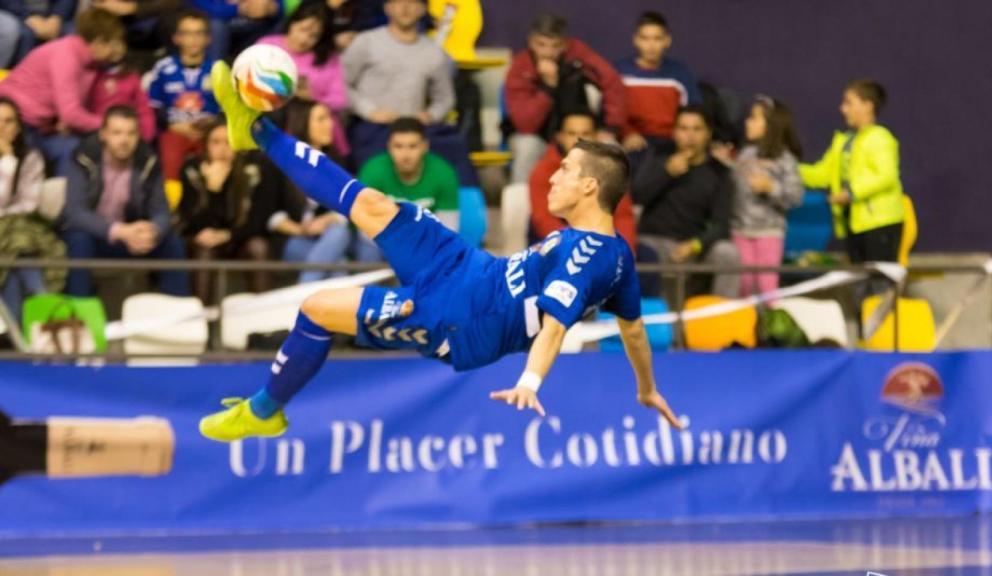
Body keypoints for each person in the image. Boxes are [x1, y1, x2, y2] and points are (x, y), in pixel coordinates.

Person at [198, 60, 681, 441]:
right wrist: (647, 388)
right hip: (469, 267)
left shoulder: (593, 255)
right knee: (374, 203)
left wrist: (529, 382)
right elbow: (634, 332)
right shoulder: (617, 256)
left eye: (566, 170)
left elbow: (555, 327)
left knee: (317, 308)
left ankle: (263, 411)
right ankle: (254, 129)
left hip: (462, 318)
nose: (554, 176)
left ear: (590, 186)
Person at [60, 106, 188, 297]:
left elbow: (162, 211)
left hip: (134, 236)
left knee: (172, 243)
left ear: (138, 136)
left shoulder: (148, 161)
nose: (124, 140)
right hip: (97, 235)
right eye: (117, 133)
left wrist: (152, 231)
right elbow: (75, 213)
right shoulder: (83, 158)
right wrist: (120, 231)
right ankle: (80, 309)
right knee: (79, 239)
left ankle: (178, 310)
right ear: (103, 134)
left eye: (131, 133)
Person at [504, 11, 627, 183]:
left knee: (611, 148)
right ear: (531, 42)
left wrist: (610, 128)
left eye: (555, 46)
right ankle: (521, 199)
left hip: (579, 130)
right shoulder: (521, 66)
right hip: (537, 135)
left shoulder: (578, 53)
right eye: (541, 45)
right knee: (527, 147)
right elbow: (525, 125)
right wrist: (548, 87)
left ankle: (612, 201)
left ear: (564, 45)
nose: (548, 52)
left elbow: (612, 81)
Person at [0, 8, 125, 175]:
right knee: (61, 151)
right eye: (114, 44)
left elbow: (70, 114)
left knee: (76, 148)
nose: (117, 50)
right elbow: (71, 114)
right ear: (99, 43)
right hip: (18, 123)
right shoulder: (66, 55)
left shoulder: (91, 63)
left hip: (42, 127)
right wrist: (109, 125)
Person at [632, 106, 740, 299]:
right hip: (655, 240)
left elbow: (722, 224)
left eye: (697, 129)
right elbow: (637, 196)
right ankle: (662, 316)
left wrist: (695, 245)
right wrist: (666, 173)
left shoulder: (719, 173)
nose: (690, 136)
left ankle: (723, 313)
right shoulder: (658, 157)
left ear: (708, 134)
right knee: (647, 251)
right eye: (683, 128)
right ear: (674, 132)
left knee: (727, 252)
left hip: (693, 245)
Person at [800, 79, 905, 273]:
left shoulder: (880, 137)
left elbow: (886, 175)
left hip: (880, 224)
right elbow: (821, 174)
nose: (843, 109)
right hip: (854, 224)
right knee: (859, 280)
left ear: (867, 106)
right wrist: (789, 170)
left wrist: (851, 193)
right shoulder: (844, 141)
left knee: (879, 280)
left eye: (849, 103)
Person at [342, 0, 455, 169]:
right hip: (372, 127)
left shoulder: (433, 52)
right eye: (398, 2)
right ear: (388, 8)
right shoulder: (366, 42)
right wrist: (370, 111)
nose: (405, 7)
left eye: (412, 2)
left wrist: (430, 115)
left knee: (453, 148)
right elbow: (341, 84)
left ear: (423, 10)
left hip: (415, 128)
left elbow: (445, 98)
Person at [177, 120, 276, 303]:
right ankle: (202, 314)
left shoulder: (253, 170)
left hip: (241, 237)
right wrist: (212, 190)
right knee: (205, 248)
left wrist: (227, 235)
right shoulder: (192, 169)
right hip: (206, 238)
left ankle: (265, 311)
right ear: (206, 145)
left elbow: (259, 220)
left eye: (228, 142)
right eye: (215, 142)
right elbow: (190, 221)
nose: (222, 149)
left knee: (258, 246)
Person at [276, 98, 358, 284]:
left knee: (340, 234)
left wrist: (325, 220)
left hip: (327, 239)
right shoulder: (282, 161)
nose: (329, 124)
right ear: (303, 123)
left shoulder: (336, 163)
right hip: (292, 240)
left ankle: (303, 289)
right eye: (321, 119)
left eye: (329, 118)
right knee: (339, 262)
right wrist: (301, 229)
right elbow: (269, 214)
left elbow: (347, 207)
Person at [730, 95, 804, 296]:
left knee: (766, 287)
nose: (747, 122)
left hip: (768, 233)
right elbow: (734, 186)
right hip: (740, 231)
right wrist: (726, 165)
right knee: (744, 287)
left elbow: (795, 196)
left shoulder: (785, 159)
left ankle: (769, 317)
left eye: (754, 118)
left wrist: (770, 187)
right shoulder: (745, 155)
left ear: (771, 125)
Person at [0, 97, 65, 325]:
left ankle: (13, 332)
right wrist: (7, 163)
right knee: (20, 246)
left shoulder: (30, 158)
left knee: (17, 251)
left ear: (18, 127)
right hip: (15, 235)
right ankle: (45, 307)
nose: (2, 127)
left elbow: (29, 204)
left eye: (8, 121)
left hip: (19, 232)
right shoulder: (12, 161)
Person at [529, 112, 636, 250]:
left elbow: (623, 215)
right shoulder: (543, 170)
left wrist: (623, 250)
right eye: (571, 133)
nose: (577, 140)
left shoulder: (609, 168)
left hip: (601, 241)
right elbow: (543, 219)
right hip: (555, 245)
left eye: (585, 133)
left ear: (596, 136)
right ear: (560, 137)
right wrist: (574, 249)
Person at [148, 9, 220, 180]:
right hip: (174, 130)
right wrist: (171, 126)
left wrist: (212, 123)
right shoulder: (162, 68)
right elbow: (153, 108)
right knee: (170, 154)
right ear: (176, 38)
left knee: (218, 149)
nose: (193, 39)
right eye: (187, 33)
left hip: (208, 133)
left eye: (199, 33)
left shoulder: (219, 69)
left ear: (208, 38)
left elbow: (228, 110)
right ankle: (170, 195)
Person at [615, 11, 701, 153]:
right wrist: (627, 133)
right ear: (636, 40)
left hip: (672, 143)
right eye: (645, 38)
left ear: (667, 41)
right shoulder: (619, 72)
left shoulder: (680, 73)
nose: (651, 45)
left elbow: (693, 112)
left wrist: (680, 138)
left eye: (657, 38)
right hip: (631, 142)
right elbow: (612, 112)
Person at [257, 1, 347, 114]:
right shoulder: (267, 45)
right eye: (302, 29)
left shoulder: (327, 58)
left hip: (305, 115)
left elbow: (340, 101)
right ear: (292, 23)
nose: (304, 39)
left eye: (313, 36)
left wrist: (313, 97)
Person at [86, 37, 158, 143]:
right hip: (96, 132)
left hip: (127, 132)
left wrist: (146, 135)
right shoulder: (90, 75)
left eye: (119, 44)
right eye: (110, 44)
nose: (115, 49)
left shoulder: (132, 77)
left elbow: (144, 108)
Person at [0, 0, 77, 66]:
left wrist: (57, 17)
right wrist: (27, 16)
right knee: (27, 34)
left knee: (72, 34)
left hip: (54, 15)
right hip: (17, 12)